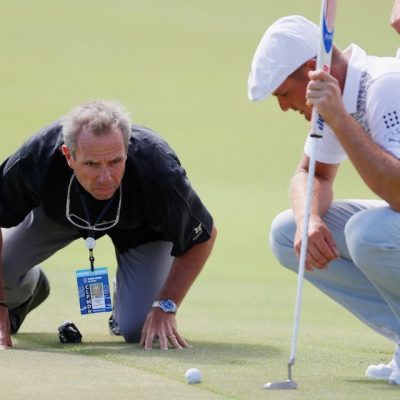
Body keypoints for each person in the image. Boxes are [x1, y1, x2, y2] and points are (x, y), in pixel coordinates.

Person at [248, 15, 400, 385]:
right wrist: (309, 220)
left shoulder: (385, 86)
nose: (284, 106)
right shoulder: (336, 97)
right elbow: (311, 174)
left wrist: (339, 118)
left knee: (369, 233)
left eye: (284, 92)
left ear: (313, 70)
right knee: (288, 233)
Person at [0, 99, 217, 350]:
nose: (105, 177)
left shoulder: (158, 168)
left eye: (115, 162)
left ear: (127, 149)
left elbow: (204, 235)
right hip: (59, 215)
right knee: (4, 269)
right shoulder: (35, 158)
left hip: (143, 230)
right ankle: (32, 285)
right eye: (91, 164)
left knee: (137, 329)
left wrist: (166, 305)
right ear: (68, 156)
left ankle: (126, 295)